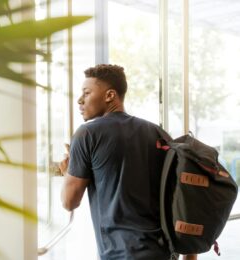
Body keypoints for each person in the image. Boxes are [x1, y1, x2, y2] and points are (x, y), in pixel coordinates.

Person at [59, 64, 196, 260]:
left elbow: (69, 202)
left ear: (109, 95)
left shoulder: (87, 133)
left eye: (87, 93)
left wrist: (67, 172)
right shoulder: (158, 133)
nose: (80, 100)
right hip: (163, 252)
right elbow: (181, 197)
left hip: (120, 255)